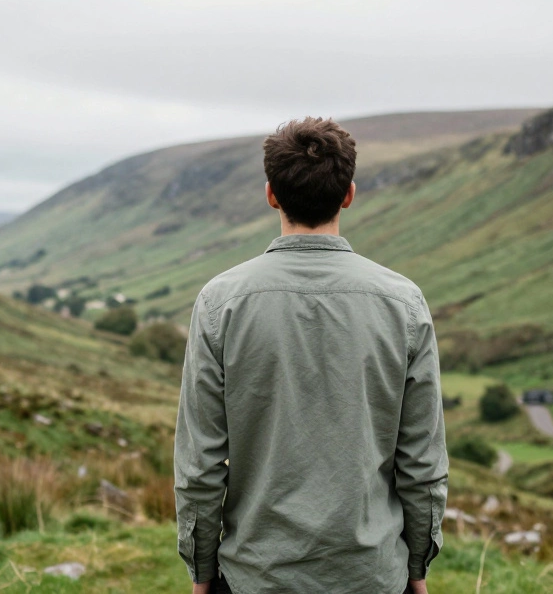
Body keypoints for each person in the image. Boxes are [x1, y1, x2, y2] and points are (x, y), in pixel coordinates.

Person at [174, 117, 449, 594]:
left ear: (271, 194)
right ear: (348, 194)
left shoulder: (221, 302)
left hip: (256, 576)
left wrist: (201, 571)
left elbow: (200, 465)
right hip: (372, 576)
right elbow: (422, 462)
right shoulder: (403, 302)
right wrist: (418, 567)